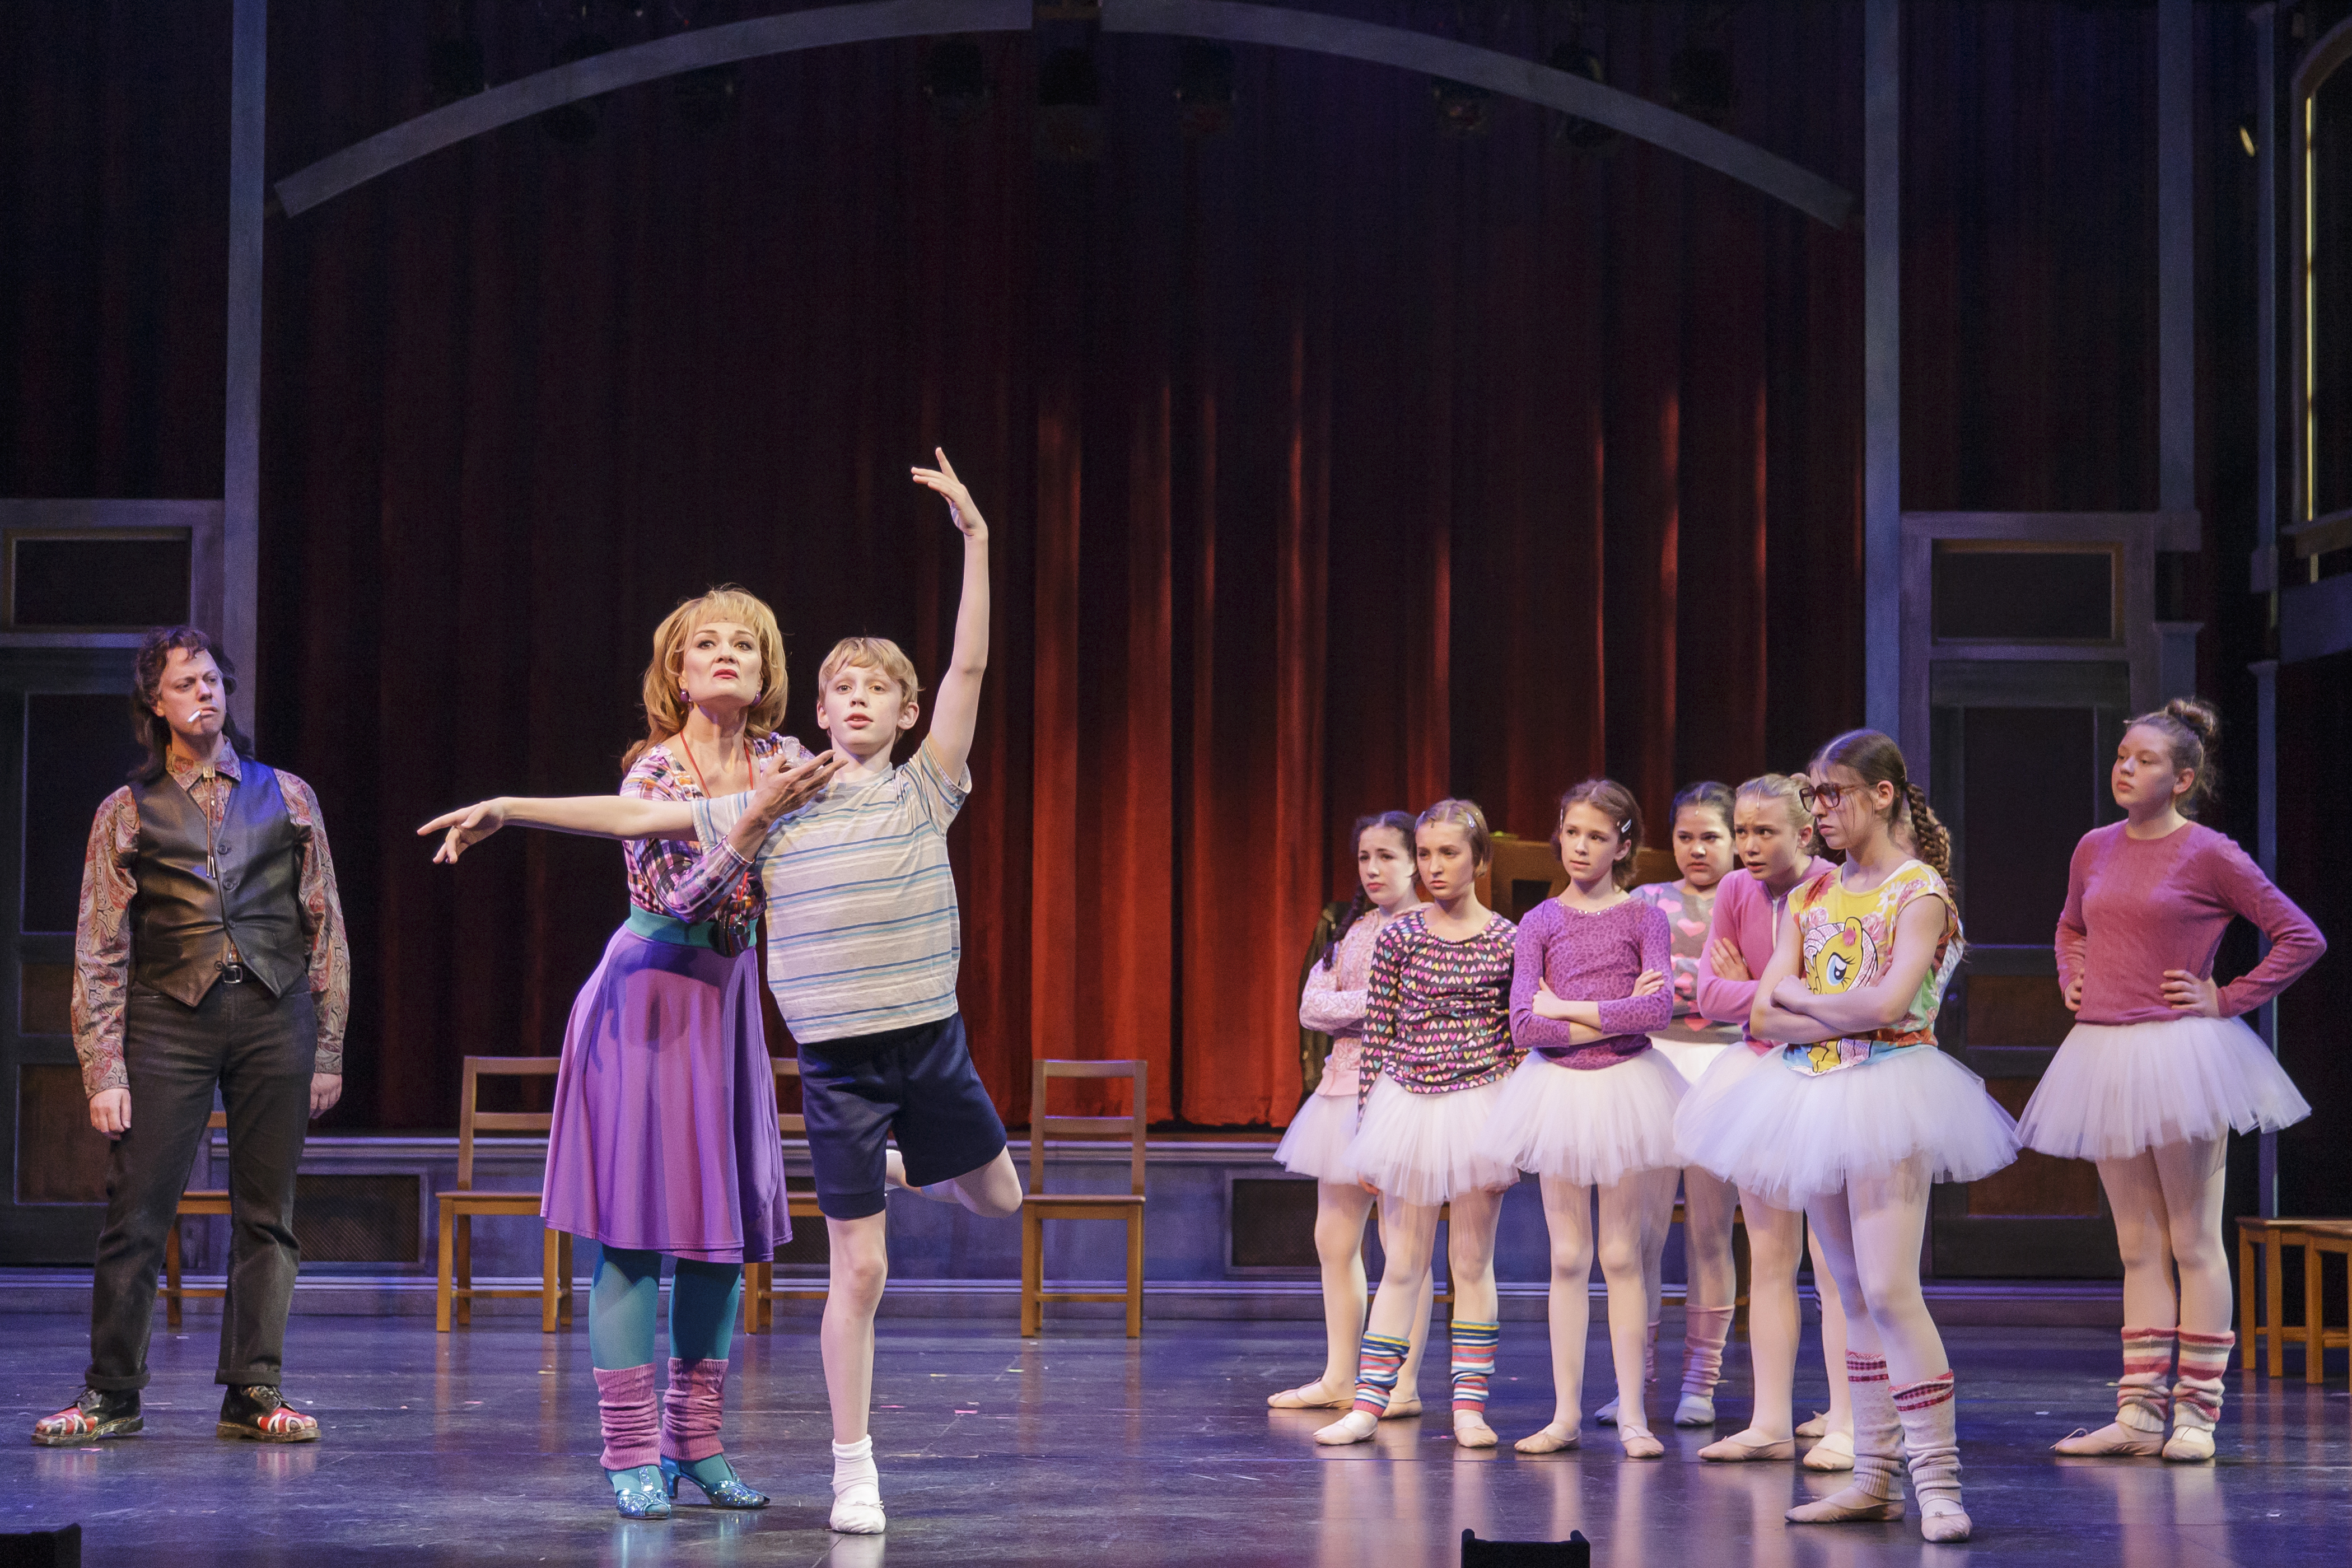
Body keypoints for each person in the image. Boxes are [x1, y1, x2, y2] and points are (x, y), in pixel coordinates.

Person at [423, 451, 1012, 1535]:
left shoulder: (796, 757)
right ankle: (630, 1452)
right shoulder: (661, 768)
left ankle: (699, 1445)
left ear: (771, 668)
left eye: (746, 641)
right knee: (637, 1232)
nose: (728, 654)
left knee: (721, 1231)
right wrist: (511, 802)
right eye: (709, 643)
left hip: (732, 1005)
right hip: (650, 996)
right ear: (677, 670)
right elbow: (673, 869)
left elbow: (901, 757)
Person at [1678, 729, 2017, 1543]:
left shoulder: (1918, 891)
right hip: (1811, 1089)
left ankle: (1938, 1483)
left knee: (1893, 1289)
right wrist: (1806, 1004)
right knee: (1853, 1292)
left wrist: (1805, 1000)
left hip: (1891, 1088)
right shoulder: (1811, 898)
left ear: (1883, 795)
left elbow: (1889, 1005)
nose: (1822, 809)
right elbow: (1759, 1011)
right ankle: (1873, 1476)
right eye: (1817, 795)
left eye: (1833, 794)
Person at [34, 627, 350, 1448]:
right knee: (137, 1211)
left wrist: (329, 1048)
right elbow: (99, 945)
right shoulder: (126, 811)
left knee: (267, 1214)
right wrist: (104, 1068)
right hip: (168, 1020)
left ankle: (254, 1389)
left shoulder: (288, 796)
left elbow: (327, 928)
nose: (205, 694)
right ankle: (113, 1393)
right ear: (157, 702)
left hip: (275, 1015)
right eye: (187, 683)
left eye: (213, 680)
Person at [2018, 699, 2322, 1462]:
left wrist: (2226, 998)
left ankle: (2196, 1414)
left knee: (2192, 1238)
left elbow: (2299, 935)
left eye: (2145, 759)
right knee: (2137, 1244)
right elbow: (2071, 924)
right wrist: (2072, 974)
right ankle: (2139, 1413)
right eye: (2123, 755)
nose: (2126, 767)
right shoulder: (2094, 847)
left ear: (2183, 777)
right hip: (2105, 1051)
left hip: (2181, 1054)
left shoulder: (2210, 853)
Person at [1314, 800, 1519, 1451]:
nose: (1433, 866)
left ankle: (1468, 1407)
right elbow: (1380, 1034)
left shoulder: (1508, 938)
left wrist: (1510, 1118)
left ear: (1480, 860)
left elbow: (1514, 1038)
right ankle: (1370, 1404)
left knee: (1470, 1263)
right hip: (1409, 1102)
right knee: (1402, 1262)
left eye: (1448, 853)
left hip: (1480, 1103)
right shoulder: (1400, 936)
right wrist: (1371, 1128)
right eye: (1425, 854)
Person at [1487, 778, 1680, 1459]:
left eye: (1597, 836)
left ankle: (1632, 1415)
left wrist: (1567, 1008)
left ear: (1623, 843)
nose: (1580, 846)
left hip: (1629, 1090)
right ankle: (1564, 1413)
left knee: (1622, 1253)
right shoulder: (1539, 921)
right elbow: (1521, 1025)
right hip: (1559, 1094)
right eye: (1572, 832)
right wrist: (1606, 1014)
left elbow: (1655, 1013)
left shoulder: (1643, 917)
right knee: (1568, 1255)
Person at [1679, 774, 1855, 1469]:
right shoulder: (1734, 891)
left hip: (1830, 1075)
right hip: (1758, 1076)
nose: (1747, 846)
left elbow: (1842, 996)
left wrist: (1763, 992)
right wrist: (1779, 994)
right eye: (1741, 832)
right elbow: (1711, 994)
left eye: (1763, 832)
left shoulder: (1838, 888)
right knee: (1771, 1257)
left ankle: (1846, 1420)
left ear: (1804, 833)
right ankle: (1770, 1419)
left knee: (1836, 1266)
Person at [1268, 813, 1436, 1416]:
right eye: (1365, 857)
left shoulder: (1430, 928)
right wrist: (1374, 1003)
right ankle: (1341, 1373)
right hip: (1340, 1091)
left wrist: (1365, 1007)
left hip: (1400, 1091)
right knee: (1334, 1237)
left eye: (1387, 856)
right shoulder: (1352, 927)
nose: (1373, 869)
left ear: (1416, 861)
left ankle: (1401, 1383)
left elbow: (1417, 1008)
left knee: (1403, 1244)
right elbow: (1313, 1006)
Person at [1624, 781, 1743, 1430]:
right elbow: (1632, 986)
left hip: (1724, 1067)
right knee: (1640, 1234)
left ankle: (1701, 1382)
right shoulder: (1647, 902)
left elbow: (1752, 989)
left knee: (1708, 1231)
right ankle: (1633, 1381)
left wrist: (1701, 994)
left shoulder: (1752, 898)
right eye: (1685, 836)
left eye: (1712, 836)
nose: (1697, 849)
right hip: (1655, 1064)